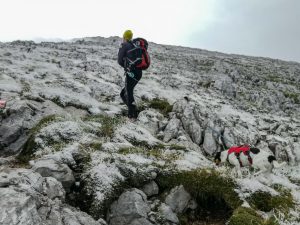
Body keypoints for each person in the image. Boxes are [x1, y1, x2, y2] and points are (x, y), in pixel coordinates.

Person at [118, 30, 142, 119]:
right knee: (125, 92)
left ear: (124, 37)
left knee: (127, 92)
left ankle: (132, 115)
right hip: (139, 73)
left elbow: (119, 61)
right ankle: (133, 110)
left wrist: (126, 67)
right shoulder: (136, 45)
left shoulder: (124, 45)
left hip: (131, 72)